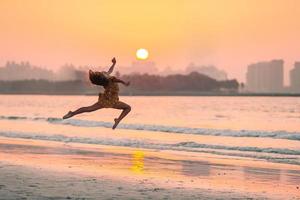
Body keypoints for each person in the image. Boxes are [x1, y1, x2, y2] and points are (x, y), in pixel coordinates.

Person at [62, 57, 131, 129]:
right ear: (102, 77)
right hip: (113, 101)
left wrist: (114, 64)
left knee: (89, 109)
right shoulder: (110, 79)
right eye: (100, 73)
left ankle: (72, 113)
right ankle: (118, 120)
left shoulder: (106, 79)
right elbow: (117, 80)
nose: (102, 72)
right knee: (128, 108)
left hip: (104, 100)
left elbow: (110, 71)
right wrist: (124, 83)